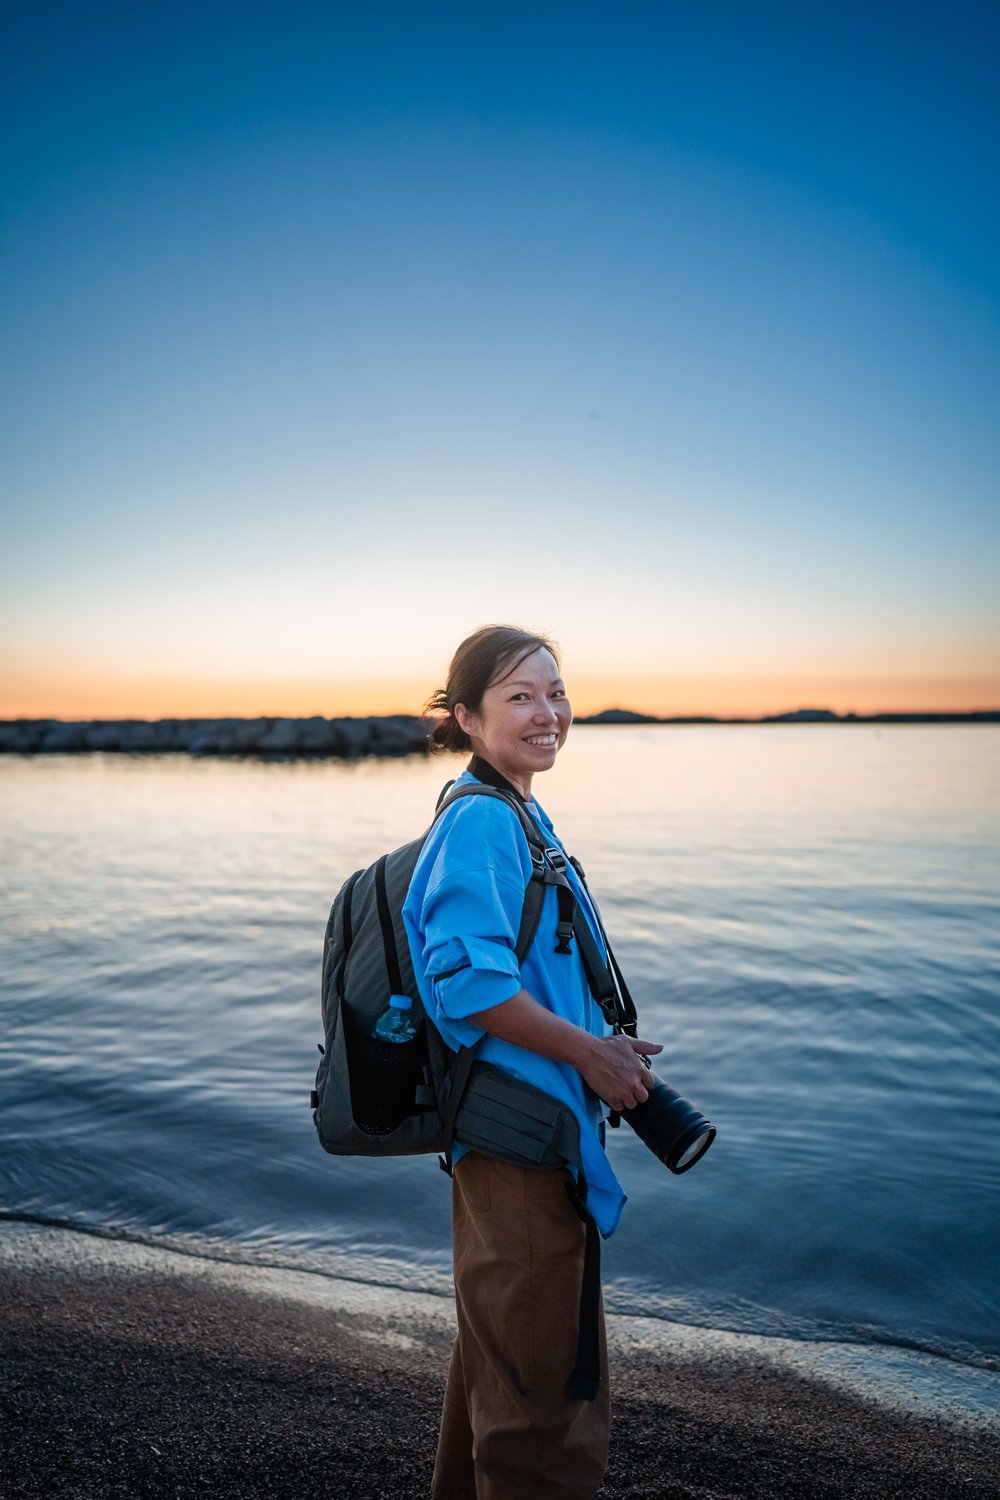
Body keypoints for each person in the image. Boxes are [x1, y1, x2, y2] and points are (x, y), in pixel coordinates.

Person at [402, 624, 662, 1500]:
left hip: (523, 1131)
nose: (548, 713)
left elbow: (523, 973)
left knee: (501, 1369)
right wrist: (589, 1054)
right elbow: (468, 986)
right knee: (545, 1404)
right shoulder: (482, 819)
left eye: (556, 691)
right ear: (468, 717)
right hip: (518, 1141)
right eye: (519, 696)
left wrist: (598, 1042)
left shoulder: (514, 809)